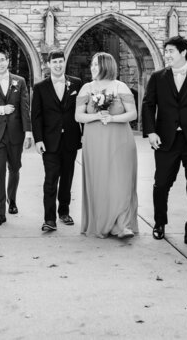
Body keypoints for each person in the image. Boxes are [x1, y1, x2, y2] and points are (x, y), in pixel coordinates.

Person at [142, 35, 187, 251]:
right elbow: (148, 105)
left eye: (171, 51)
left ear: (184, 52)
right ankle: (159, 223)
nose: (167, 55)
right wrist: (151, 132)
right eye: (166, 52)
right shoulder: (158, 77)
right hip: (166, 140)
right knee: (161, 184)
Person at [75, 52, 138, 239]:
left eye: (96, 64)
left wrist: (112, 118)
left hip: (120, 140)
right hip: (95, 141)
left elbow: (133, 114)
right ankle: (102, 222)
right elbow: (78, 116)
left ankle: (123, 224)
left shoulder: (121, 86)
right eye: (92, 64)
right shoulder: (87, 88)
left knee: (121, 181)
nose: (92, 68)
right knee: (100, 180)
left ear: (107, 66)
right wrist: (96, 116)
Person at [0, 49, 33, 226]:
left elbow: (25, 108)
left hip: (16, 133)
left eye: (3, 59)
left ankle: (12, 199)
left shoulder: (20, 81)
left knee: (15, 168)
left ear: (7, 61)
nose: (0, 63)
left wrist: (28, 132)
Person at [31, 50, 83, 232]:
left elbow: (82, 109)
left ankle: (64, 212)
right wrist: (38, 139)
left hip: (70, 139)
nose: (58, 65)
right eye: (55, 62)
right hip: (49, 140)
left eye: (61, 61)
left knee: (67, 178)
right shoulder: (40, 87)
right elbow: (35, 116)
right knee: (51, 179)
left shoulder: (76, 83)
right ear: (48, 65)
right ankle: (49, 219)